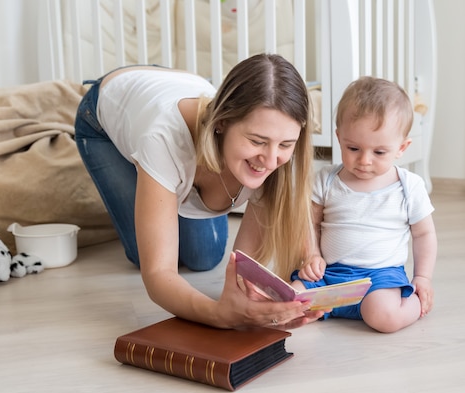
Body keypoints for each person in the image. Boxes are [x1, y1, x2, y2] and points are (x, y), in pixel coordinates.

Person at [74, 53, 324, 330]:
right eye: (256, 141)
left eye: (285, 145)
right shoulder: (162, 138)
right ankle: (158, 184)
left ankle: (165, 191)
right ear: (221, 123)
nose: (270, 159)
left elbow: (241, 269)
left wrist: (266, 307)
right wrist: (219, 315)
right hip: (107, 110)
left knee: (204, 257)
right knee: (141, 254)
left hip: (176, 85)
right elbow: (157, 275)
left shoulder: (278, 150)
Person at [291, 76, 437, 333]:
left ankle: (411, 304)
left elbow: (424, 234)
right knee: (289, 299)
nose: (365, 160)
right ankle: (323, 307)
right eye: (354, 148)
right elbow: (309, 222)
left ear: (401, 148)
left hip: (379, 279)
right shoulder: (326, 180)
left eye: (379, 152)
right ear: (339, 138)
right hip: (329, 276)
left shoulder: (409, 186)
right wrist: (312, 254)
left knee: (384, 317)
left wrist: (422, 278)